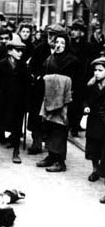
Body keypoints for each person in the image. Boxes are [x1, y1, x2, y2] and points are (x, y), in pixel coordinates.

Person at [36, 33, 78, 173]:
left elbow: (75, 82)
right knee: (48, 126)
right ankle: (50, 155)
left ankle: (60, 160)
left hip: (63, 101)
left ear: (67, 46)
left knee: (60, 129)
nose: (59, 45)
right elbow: (42, 74)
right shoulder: (50, 59)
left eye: (63, 43)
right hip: (49, 99)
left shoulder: (73, 61)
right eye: (57, 43)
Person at [0, 37, 30, 164]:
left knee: (16, 126)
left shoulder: (24, 67)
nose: (20, 53)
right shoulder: (0, 65)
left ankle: (16, 151)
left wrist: (25, 103)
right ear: (10, 51)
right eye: (17, 50)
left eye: (22, 51)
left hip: (17, 102)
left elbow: (27, 86)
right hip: (2, 101)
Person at [27, 24, 66, 155]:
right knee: (36, 115)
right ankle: (36, 141)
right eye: (50, 35)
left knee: (53, 117)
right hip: (40, 88)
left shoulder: (65, 52)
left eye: (55, 36)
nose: (52, 38)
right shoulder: (40, 49)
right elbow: (32, 67)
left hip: (56, 91)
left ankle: (51, 145)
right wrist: (38, 76)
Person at [84, 57, 105, 186]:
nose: (96, 73)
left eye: (100, 70)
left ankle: (102, 169)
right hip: (94, 120)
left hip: (104, 121)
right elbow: (84, 98)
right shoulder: (91, 85)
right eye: (95, 70)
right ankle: (95, 169)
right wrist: (85, 106)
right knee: (93, 146)